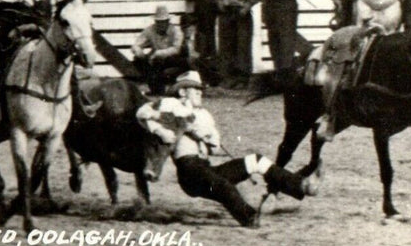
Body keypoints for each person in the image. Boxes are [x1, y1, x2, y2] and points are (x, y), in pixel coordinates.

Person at [136, 71, 320, 228]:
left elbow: (215, 145)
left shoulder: (205, 115)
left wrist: (207, 138)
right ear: (183, 91)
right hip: (189, 170)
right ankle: (249, 218)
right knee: (225, 186)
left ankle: (299, 185)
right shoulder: (171, 104)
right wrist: (159, 129)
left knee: (255, 160)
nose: (200, 93)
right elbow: (142, 114)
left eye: (200, 89)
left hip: (204, 167)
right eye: (196, 89)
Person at [213, 0, 256, 89]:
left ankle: (243, 79)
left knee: (242, 46)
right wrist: (219, 3)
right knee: (226, 46)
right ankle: (228, 78)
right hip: (226, 12)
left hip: (241, 12)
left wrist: (247, 5)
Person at [131, 5, 187, 96]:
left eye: (164, 22)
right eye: (159, 21)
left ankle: (173, 89)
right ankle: (156, 89)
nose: (161, 24)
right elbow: (136, 44)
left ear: (168, 21)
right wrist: (138, 51)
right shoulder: (150, 30)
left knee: (179, 62)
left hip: (173, 59)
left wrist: (158, 53)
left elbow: (176, 49)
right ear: (155, 21)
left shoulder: (176, 31)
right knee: (139, 61)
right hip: (156, 60)